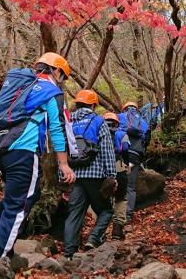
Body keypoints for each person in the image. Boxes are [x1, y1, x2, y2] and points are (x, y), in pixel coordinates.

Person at [0, 53, 76, 272]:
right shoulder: (50, 92)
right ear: (57, 71)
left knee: (29, 196)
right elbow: (57, 128)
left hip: (0, 151)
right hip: (24, 151)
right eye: (63, 76)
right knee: (18, 206)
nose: (61, 81)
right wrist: (63, 163)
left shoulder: (18, 90)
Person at [61, 90, 117, 260]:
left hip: (74, 175)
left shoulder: (68, 121)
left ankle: (69, 252)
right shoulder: (98, 121)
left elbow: (61, 149)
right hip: (95, 175)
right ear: (93, 105)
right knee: (106, 210)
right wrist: (111, 176)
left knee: (75, 213)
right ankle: (93, 239)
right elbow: (107, 150)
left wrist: (61, 177)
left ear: (77, 103)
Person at [117, 102, 150, 221]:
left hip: (121, 154)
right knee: (130, 186)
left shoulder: (120, 117)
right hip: (135, 155)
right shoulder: (142, 120)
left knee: (120, 183)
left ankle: (118, 215)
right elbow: (146, 139)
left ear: (124, 108)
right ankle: (128, 215)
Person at [103, 112, 129, 240]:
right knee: (120, 198)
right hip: (118, 166)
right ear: (117, 123)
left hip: (102, 169)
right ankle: (117, 230)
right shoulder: (122, 134)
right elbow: (125, 149)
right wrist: (127, 164)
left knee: (101, 199)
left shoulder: (99, 133)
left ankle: (100, 232)